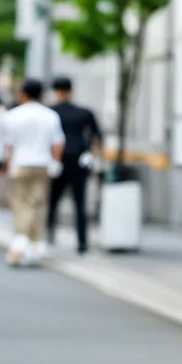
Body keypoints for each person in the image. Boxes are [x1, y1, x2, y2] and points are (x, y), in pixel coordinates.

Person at [3, 78, 65, 266]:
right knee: (39, 204)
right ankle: (36, 244)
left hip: (21, 164)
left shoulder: (13, 115)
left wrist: (9, 164)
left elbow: (9, 145)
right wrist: (56, 162)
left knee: (22, 204)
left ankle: (20, 243)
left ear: (23, 93)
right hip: (43, 165)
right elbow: (58, 143)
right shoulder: (50, 115)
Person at [48, 75, 102, 254]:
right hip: (79, 160)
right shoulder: (84, 112)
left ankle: (49, 236)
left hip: (59, 160)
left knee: (53, 201)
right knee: (80, 203)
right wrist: (91, 155)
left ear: (56, 91)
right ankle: (82, 242)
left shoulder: (51, 112)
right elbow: (97, 137)